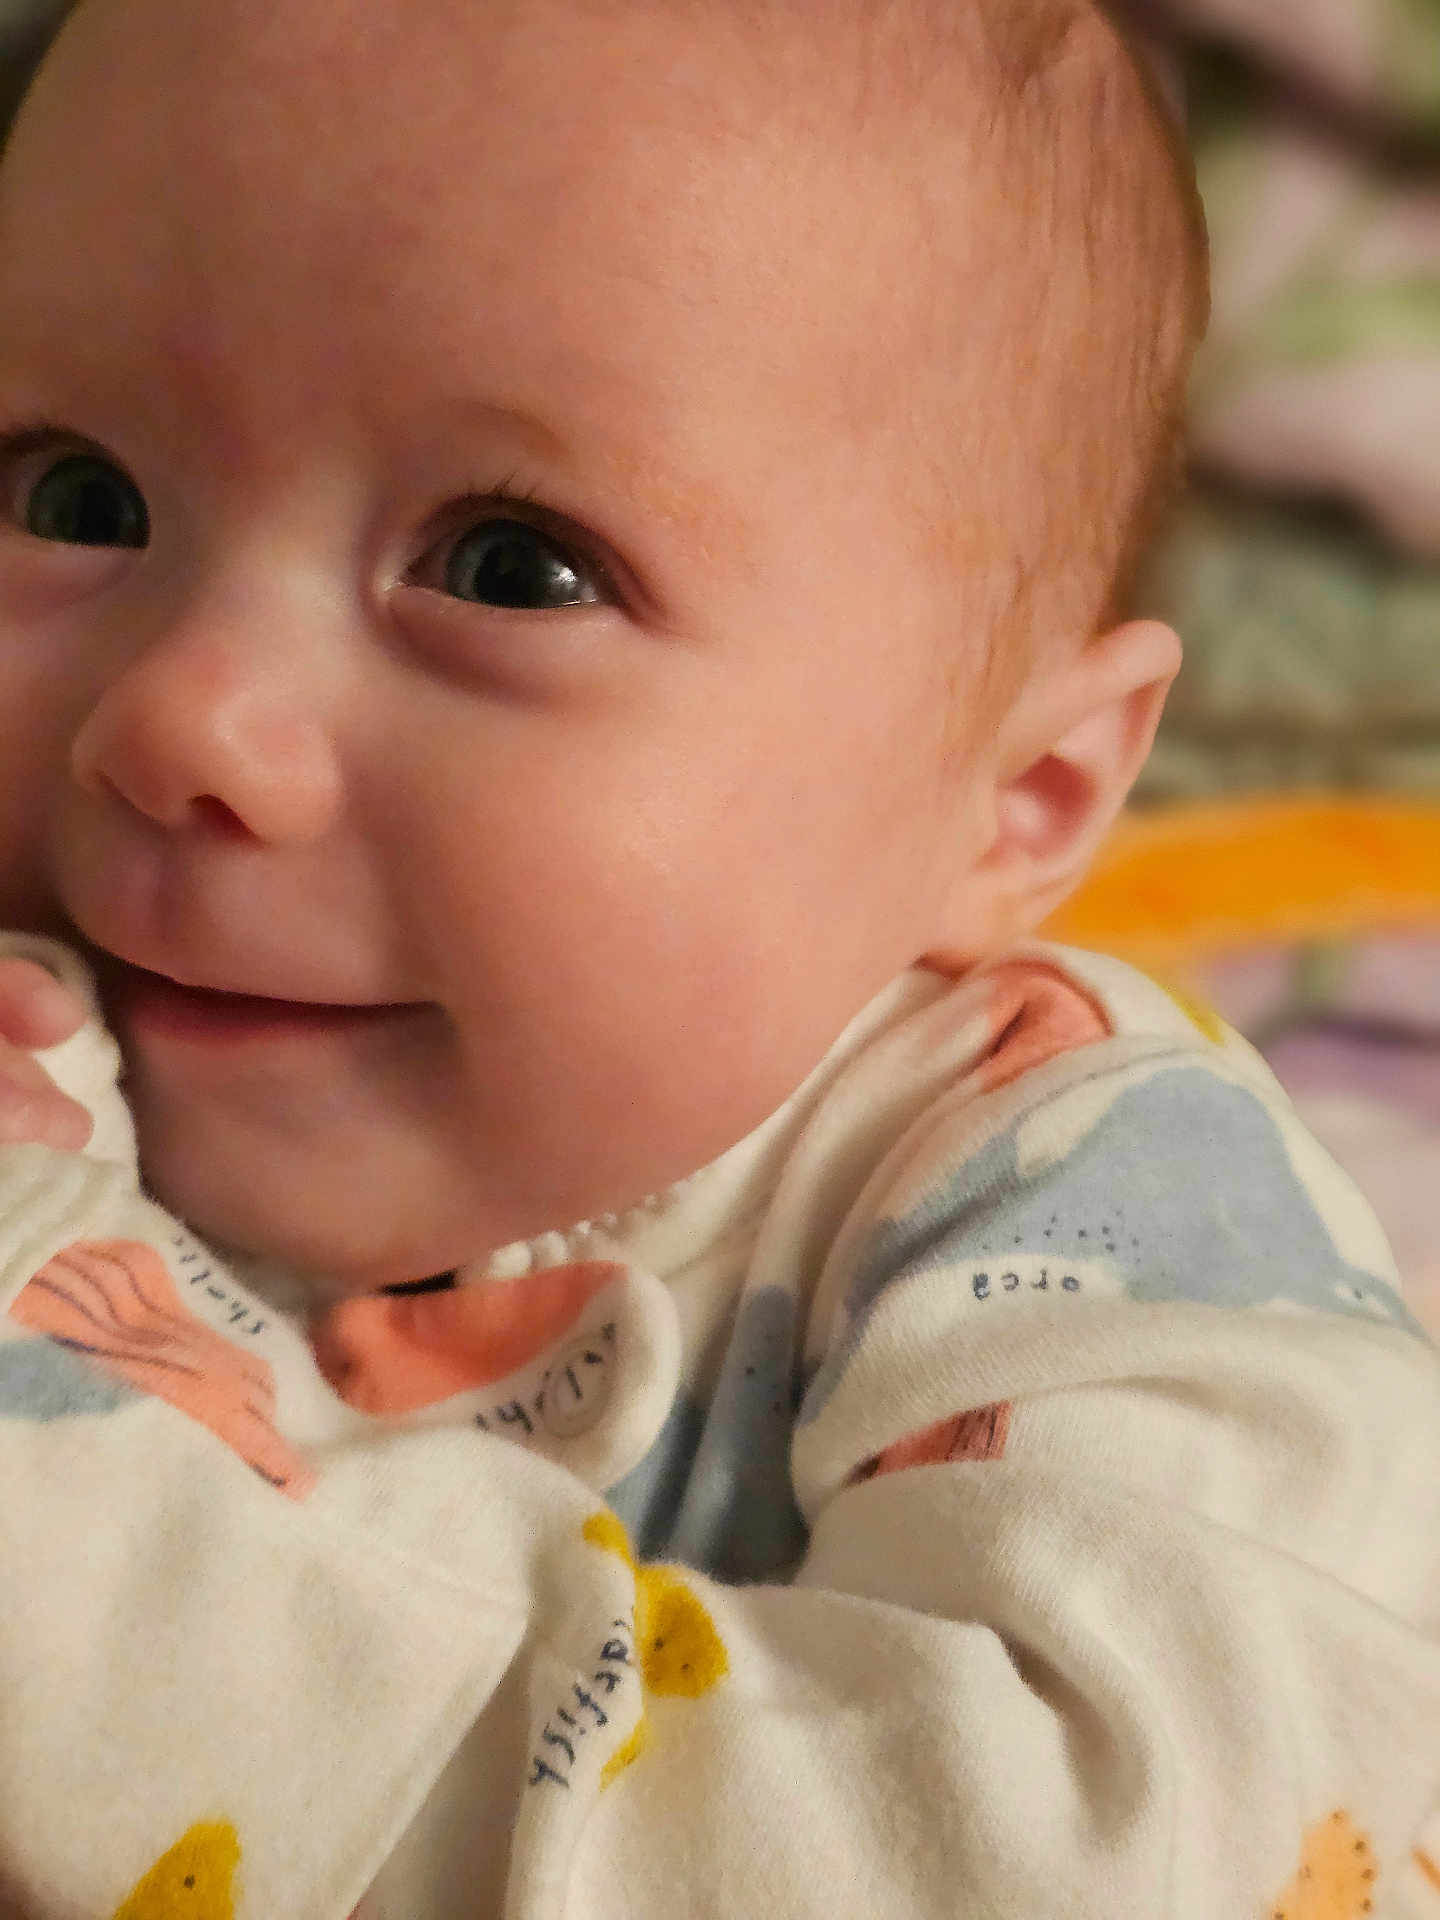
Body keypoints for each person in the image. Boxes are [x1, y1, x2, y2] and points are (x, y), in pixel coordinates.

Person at [0, 0, 1437, 1914]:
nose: (184, 723)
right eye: (72, 496)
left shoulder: (1080, 1194)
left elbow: (1141, 1854)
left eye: (514, 567)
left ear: (1015, 800)